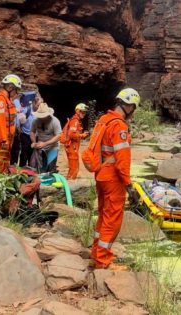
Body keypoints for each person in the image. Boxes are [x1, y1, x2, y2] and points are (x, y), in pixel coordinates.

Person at [90, 87, 140, 269]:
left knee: (103, 215)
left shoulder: (104, 120)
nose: (133, 112)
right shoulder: (119, 125)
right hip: (113, 179)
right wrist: (128, 184)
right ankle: (103, 260)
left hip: (101, 175)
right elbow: (122, 161)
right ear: (129, 106)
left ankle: (96, 252)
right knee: (112, 219)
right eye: (133, 108)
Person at [30, 102, 62, 173]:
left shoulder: (55, 121)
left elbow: (58, 136)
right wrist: (34, 142)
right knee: (38, 168)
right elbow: (32, 132)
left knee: (50, 168)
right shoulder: (35, 121)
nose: (41, 118)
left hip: (52, 146)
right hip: (40, 146)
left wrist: (45, 143)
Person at [63, 103, 90, 179]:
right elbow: (72, 134)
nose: (84, 114)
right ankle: (70, 184)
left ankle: (70, 181)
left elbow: (74, 133)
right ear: (78, 111)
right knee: (74, 168)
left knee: (73, 167)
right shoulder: (75, 120)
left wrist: (82, 135)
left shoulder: (76, 120)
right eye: (82, 112)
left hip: (73, 147)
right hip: (71, 147)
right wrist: (82, 135)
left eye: (85, 112)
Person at [11, 92, 37, 167]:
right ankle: (20, 168)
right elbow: (19, 120)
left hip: (29, 134)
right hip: (23, 134)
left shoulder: (29, 108)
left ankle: (27, 168)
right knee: (22, 152)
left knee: (28, 153)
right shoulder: (25, 109)